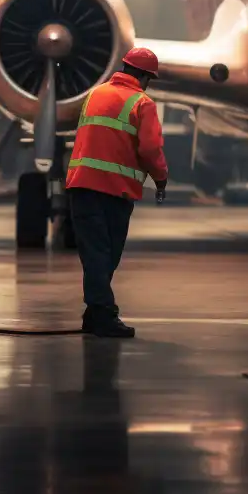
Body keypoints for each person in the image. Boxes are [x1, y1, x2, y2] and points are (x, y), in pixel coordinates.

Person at [65, 47, 169, 338]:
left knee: (94, 254)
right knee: (105, 254)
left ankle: (95, 312)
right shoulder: (142, 103)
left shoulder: (95, 94)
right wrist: (161, 179)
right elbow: (150, 149)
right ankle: (103, 314)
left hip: (81, 186)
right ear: (144, 76)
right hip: (113, 191)